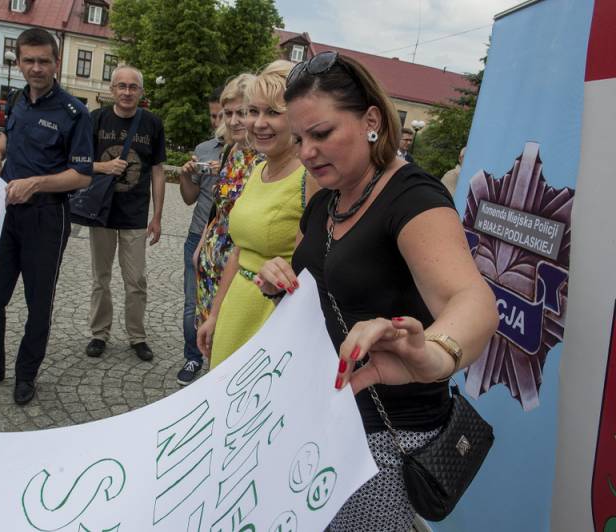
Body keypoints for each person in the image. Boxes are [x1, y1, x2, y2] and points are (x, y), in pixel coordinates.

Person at [255, 51, 498, 530]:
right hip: (323, 415)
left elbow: (472, 301)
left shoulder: (413, 198)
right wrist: (276, 282)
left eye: (321, 134)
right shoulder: (327, 198)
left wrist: (435, 353)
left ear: (371, 121)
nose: (306, 152)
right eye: (299, 139)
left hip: (386, 436)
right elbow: (315, 284)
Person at [0, 27, 94, 405]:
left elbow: (82, 175)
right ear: (19, 62)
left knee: (38, 305)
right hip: (6, 214)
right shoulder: (16, 100)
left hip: (47, 217)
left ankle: (26, 375)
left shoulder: (74, 113)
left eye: (44, 61)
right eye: (29, 60)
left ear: (56, 63)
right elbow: (7, 137)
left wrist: (38, 183)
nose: (36, 68)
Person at [197, 60, 319, 368]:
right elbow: (239, 252)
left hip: (273, 315)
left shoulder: (310, 177)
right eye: (253, 111)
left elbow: (313, 267)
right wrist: (215, 314)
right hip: (236, 307)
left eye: (273, 113)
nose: (258, 123)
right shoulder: (259, 169)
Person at [77, 65, 166, 362]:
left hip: (135, 214)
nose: (127, 92)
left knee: (136, 280)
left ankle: (137, 336)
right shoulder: (96, 119)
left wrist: (157, 216)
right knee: (100, 278)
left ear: (141, 92)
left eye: (133, 87)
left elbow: (157, 171)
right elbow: (78, 162)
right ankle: (99, 333)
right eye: (122, 86)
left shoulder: (152, 124)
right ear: (112, 89)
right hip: (100, 211)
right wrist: (104, 167)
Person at [194, 73, 259, 331]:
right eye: (228, 113)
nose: (233, 121)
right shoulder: (231, 152)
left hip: (238, 269)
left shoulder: (264, 160)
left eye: (241, 113)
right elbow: (218, 208)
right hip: (210, 264)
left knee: (228, 336)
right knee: (206, 337)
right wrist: (200, 247)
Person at [174, 86, 224, 385]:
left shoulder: (251, 152)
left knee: (224, 306)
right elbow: (189, 198)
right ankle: (192, 357)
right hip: (197, 235)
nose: (217, 122)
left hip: (228, 241)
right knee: (192, 304)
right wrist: (185, 175)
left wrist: (227, 173)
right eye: (213, 116)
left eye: (223, 115)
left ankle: (221, 363)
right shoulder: (204, 149)